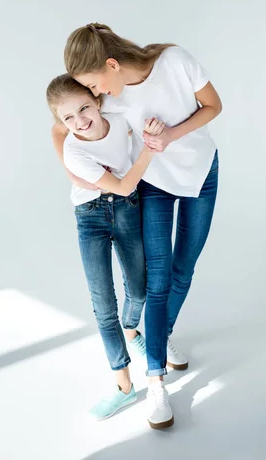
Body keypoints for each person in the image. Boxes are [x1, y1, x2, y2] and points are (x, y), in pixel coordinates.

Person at [53, 23, 222, 429]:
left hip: (202, 172)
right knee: (159, 278)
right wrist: (73, 170)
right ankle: (155, 380)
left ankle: (159, 339)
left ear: (111, 65)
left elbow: (214, 106)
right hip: (154, 183)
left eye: (95, 83)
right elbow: (62, 125)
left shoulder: (175, 60)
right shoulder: (107, 99)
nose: (97, 94)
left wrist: (171, 135)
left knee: (185, 268)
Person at [46, 74, 165, 422]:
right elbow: (127, 185)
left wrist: (150, 129)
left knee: (139, 290)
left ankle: (132, 331)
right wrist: (150, 147)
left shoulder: (115, 115)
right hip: (91, 216)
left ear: (96, 101)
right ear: (61, 122)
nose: (79, 121)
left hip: (127, 213)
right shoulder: (74, 150)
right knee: (103, 303)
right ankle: (123, 386)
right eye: (68, 118)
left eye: (83, 108)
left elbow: (138, 113)